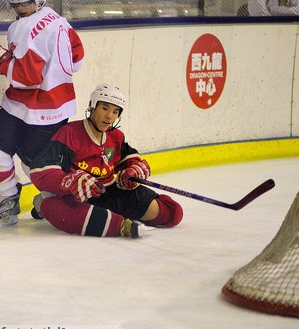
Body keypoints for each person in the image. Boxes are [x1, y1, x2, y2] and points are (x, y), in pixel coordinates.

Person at [0, 0, 84, 228]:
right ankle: (8, 199)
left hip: (41, 111)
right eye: (16, 4)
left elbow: (27, 77)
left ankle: (55, 201)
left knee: (34, 165)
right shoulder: (58, 20)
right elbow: (78, 59)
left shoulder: (22, 28)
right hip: (34, 105)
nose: (20, 8)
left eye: (26, 3)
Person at [29, 84, 183, 239]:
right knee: (55, 208)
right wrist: (70, 181)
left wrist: (134, 170)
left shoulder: (116, 136)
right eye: (104, 108)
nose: (109, 116)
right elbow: (40, 169)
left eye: (115, 112)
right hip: (81, 198)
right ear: (92, 106)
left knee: (172, 212)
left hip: (111, 191)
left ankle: (107, 217)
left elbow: (130, 159)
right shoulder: (70, 133)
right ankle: (118, 225)